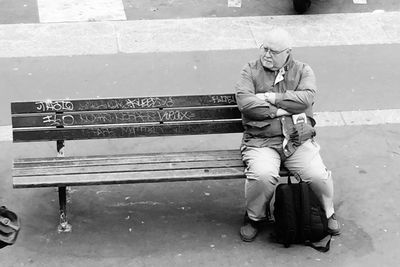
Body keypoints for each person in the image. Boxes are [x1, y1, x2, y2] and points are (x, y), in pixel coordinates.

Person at [235, 27, 340, 242]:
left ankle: (327, 212)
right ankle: (255, 217)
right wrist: (282, 110)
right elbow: (246, 103)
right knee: (263, 176)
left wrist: (271, 97)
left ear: (287, 52)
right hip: (261, 141)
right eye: (264, 48)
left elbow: (306, 99)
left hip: (297, 139)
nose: (266, 54)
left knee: (318, 175)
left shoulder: (303, 71)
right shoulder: (249, 70)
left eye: (273, 51)